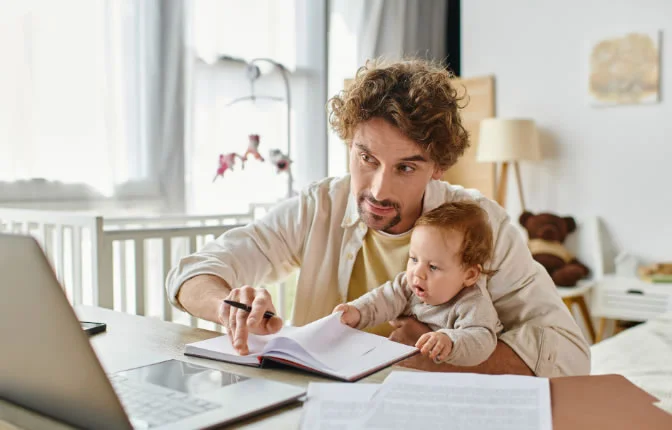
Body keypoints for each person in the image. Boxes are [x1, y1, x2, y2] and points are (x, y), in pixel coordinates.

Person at [165, 58, 590, 377]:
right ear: (349, 143)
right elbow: (191, 274)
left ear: (438, 166)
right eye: (366, 157)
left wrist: (435, 359)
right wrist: (230, 310)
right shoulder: (321, 205)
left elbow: (570, 355)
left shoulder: (484, 225)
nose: (379, 190)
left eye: (406, 167)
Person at [334, 201, 501, 366]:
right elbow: (382, 299)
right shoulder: (409, 284)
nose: (418, 273)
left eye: (433, 267)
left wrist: (449, 341)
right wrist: (356, 311)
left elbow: (482, 340)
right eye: (414, 259)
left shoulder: (473, 303)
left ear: (469, 275)